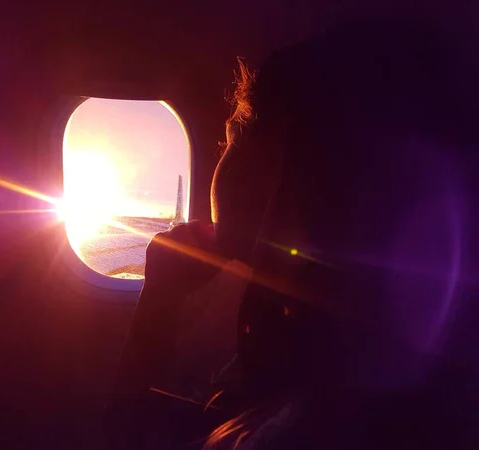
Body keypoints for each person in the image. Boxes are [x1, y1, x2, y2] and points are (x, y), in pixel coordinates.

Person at [106, 19, 479, 449]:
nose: (220, 156)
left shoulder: (310, 421)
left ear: (277, 173)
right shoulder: (348, 365)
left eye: (231, 135)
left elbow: (128, 436)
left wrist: (158, 302)